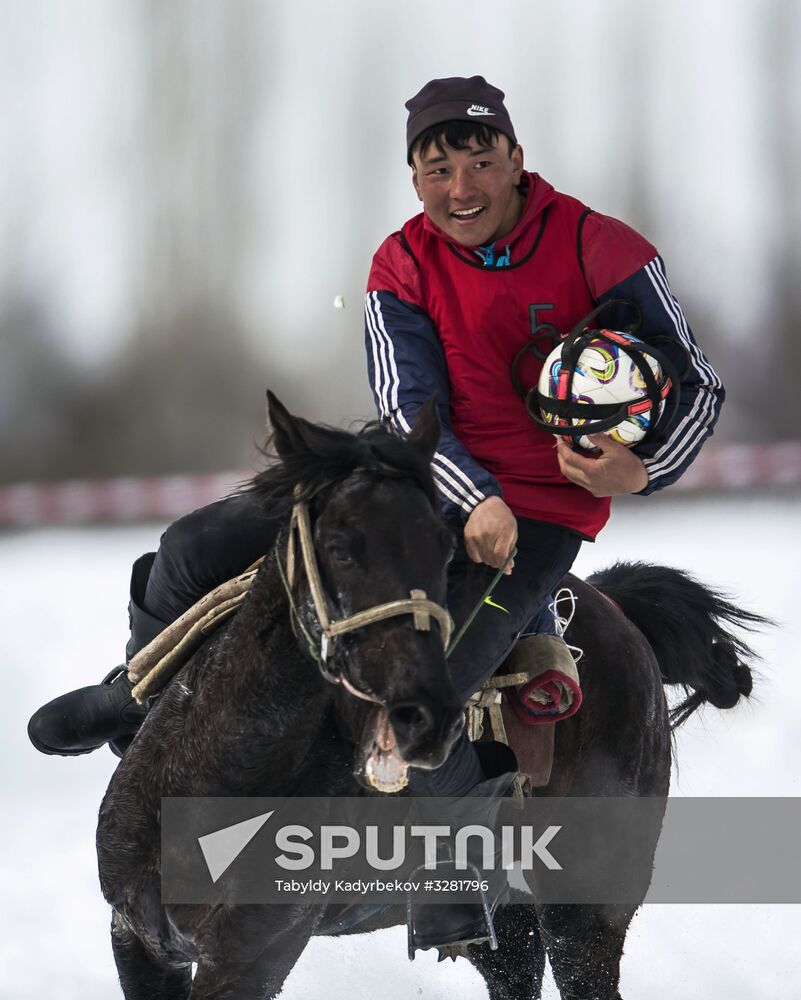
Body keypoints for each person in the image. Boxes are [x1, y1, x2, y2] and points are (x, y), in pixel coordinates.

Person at [28, 76, 723, 951]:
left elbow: (699, 382)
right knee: (193, 545)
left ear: (515, 159)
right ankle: (131, 700)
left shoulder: (601, 246)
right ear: (415, 179)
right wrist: (473, 498)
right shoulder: (401, 261)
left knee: (427, 695)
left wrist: (643, 465)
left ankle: (462, 888)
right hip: (413, 480)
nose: (460, 188)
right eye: (437, 170)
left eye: (479, 161)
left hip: (544, 517)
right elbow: (403, 403)